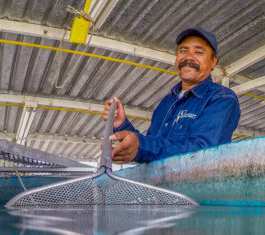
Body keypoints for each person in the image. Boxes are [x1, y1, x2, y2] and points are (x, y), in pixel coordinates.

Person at [103, 27, 241, 164]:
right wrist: (121, 125)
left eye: (199, 52)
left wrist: (141, 145)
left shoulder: (222, 98)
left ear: (213, 62)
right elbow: (152, 154)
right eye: (183, 51)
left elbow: (201, 153)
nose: (188, 57)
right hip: (154, 185)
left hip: (194, 186)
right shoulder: (167, 102)